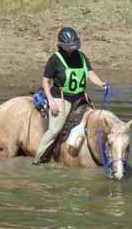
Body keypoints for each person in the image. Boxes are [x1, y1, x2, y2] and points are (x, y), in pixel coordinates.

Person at [32, 27, 107, 165]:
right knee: (55, 128)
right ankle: (38, 159)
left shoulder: (82, 57)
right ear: (60, 46)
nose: (72, 50)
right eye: (69, 48)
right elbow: (45, 80)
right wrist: (51, 101)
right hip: (61, 97)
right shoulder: (55, 59)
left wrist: (101, 84)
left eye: (74, 47)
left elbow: (90, 73)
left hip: (80, 98)